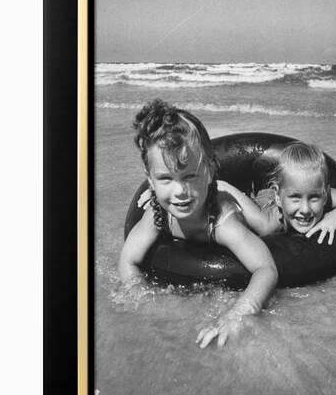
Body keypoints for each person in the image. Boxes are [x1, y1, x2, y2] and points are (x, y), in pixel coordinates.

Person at [119, 99, 279, 349]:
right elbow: (128, 258)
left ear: (209, 170)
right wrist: (135, 290)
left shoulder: (223, 223)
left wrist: (237, 315)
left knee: (267, 227)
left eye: (190, 176)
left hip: (228, 202)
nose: (180, 191)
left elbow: (266, 269)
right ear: (150, 180)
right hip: (209, 191)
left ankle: (230, 188)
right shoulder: (158, 213)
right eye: (165, 178)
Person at [216, 141, 336, 245]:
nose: (305, 209)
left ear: (324, 195)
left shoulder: (325, 196)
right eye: (296, 198)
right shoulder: (268, 224)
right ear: (279, 198)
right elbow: (225, 187)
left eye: (314, 198)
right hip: (261, 202)